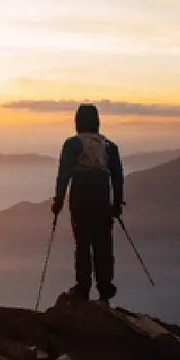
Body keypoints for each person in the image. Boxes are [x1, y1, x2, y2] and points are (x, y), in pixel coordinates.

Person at [51, 103, 124, 303]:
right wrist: (117, 204)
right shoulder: (109, 146)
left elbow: (63, 175)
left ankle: (83, 288)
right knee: (103, 245)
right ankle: (105, 288)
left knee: (83, 244)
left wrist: (58, 201)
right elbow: (117, 177)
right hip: (102, 200)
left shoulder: (72, 144)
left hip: (81, 200)